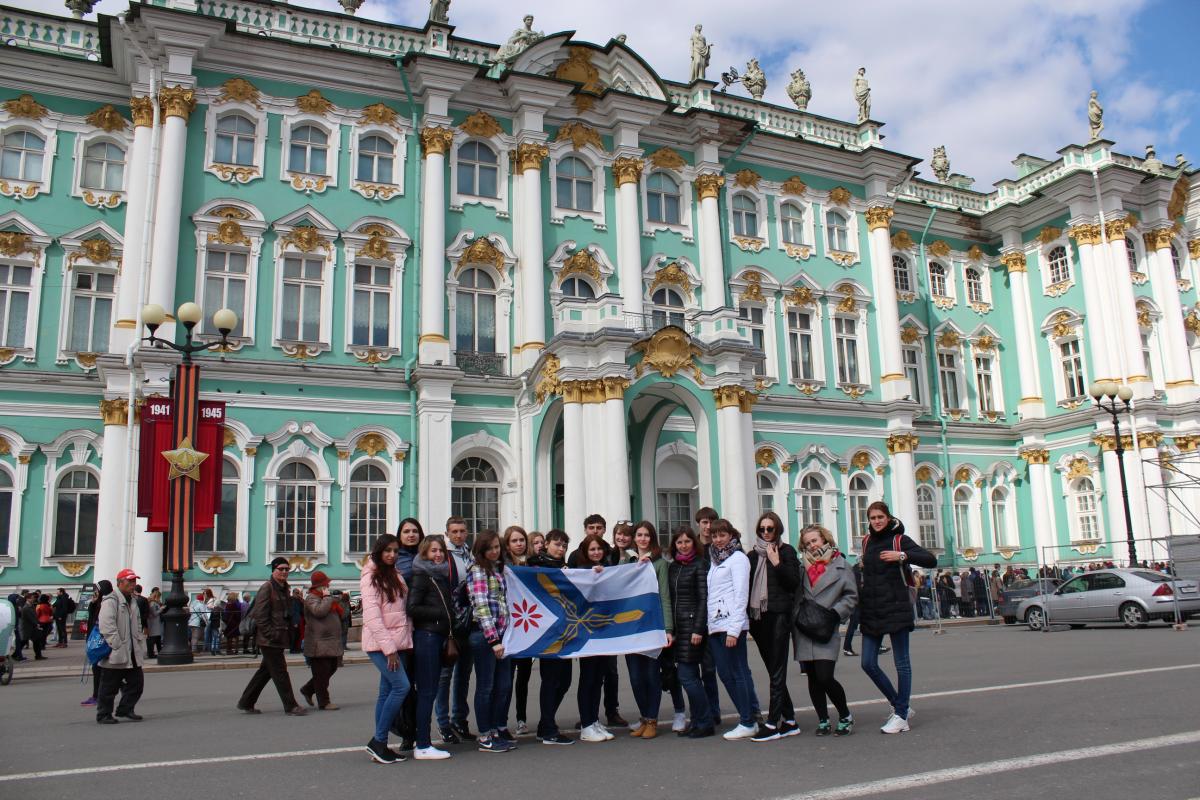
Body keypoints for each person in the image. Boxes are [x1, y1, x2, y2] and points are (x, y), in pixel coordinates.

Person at [857, 501, 937, 734]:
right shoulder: (866, 541)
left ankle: (901, 715)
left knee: (901, 663)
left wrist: (902, 556)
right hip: (872, 608)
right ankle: (899, 703)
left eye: (880, 517)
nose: (877, 521)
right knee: (867, 663)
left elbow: (930, 559)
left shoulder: (899, 539)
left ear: (888, 517)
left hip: (896, 606)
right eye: (872, 518)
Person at [792, 525, 858, 736]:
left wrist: (835, 614)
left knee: (825, 676)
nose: (812, 545)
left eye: (815, 541)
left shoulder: (841, 566)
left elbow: (851, 596)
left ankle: (845, 715)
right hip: (804, 627)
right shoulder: (802, 567)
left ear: (825, 540)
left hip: (826, 626)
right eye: (807, 543)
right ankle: (823, 719)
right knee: (812, 677)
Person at [746, 511, 801, 742]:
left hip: (779, 616)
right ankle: (789, 721)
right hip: (759, 619)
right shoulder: (751, 555)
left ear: (777, 530)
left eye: (770, 529)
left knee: (777, 671)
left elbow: (792, 582)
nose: (766, 533)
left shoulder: (786, 551)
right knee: (772, 670)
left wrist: (777, 562)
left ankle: (772, 723)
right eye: (762, 529)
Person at [360, 534, 413, 764]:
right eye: (387, 551)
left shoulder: (393, 574)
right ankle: (378, 741)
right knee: (402, 686)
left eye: (395, 551)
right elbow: (372, 617)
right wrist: (389, 649)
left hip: (397, 640)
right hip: (382, 645)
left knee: (386, 691)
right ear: (378, 552)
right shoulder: (370, 577)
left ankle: (380, 744)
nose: (392, 555)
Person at [706, 519, 757, 740]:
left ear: (731, 535)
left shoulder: (738, 559)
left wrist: (735, 629)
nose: (718, 540)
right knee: (725, 674)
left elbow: (740, 595)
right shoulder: (715, 560)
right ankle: (746, 717)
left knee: (737, 672)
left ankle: (748, 720)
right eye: (714, 536)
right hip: (715, 625)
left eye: (722, 535)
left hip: (731, 625)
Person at [623, 521, 674, 740]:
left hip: (652, 626)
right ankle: (644, 717)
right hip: (630, 628)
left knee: (651, 675)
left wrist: (668, 628)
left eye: (647, 535)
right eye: (639, 535)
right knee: (635, 677)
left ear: (652, 538)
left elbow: (664, 595)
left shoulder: (660, 564)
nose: (643, 539)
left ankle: (652, 719)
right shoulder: (627, 562)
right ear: (634, 538)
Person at [237, 557, 307, 717]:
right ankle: (291, 706)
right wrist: (271, 634)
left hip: (279, 637)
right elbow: (260, 615)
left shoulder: (284, 588)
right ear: (273, 570)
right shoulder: (267, 588)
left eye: (286, 569)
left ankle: (246, 702)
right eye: (280, 569)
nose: (284, 572)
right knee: (280, 672)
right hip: (270, 639)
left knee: (265, 671)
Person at [406, 536, 456, 760]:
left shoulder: (441, 576)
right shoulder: (421, 576)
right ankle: (423, 744)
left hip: (437, 636)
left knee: (431, 690)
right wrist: (441, 615)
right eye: (434, 551)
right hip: (427, 637)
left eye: (441, 551)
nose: (438, 555)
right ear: (424, 552)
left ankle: (422, 741)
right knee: (427, 691)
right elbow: (413, 608)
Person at [468, 530, 515, 754]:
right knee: (486, 687)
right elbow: (482, 606)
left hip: (503, 636)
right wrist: (493, 639)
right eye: (490, 548)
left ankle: (496, 730)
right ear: (481, 551)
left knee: (503, 686)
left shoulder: (498, 569)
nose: (495, 551)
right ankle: (485, 734)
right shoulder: (477, 570)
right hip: (486, 637)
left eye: (497, 547)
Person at [527, 529, 574, 745]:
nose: (561, 549)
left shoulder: (564, 569)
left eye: (564, 545)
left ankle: (546, 723)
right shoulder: (535, 565)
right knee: (551, 680)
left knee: (564, 681)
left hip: (565, 631)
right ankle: (547, 727)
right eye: (557, 544)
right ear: (546, 544)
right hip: (547, 633)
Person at [667, 526, 713, 738]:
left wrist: (698, 628)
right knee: (691, 676)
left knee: (687, 677)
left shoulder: (699, 565)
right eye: (679, 542)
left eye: (687, 542)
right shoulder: (674, 567)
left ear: (693, 543)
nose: (683, 546)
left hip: (693, 628)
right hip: (679, 629)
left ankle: (705, 721)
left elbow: (704, 599)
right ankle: (697, 721)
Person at [572, 533, 615, 743]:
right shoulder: (581, 571)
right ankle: (586, 724)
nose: (596, 553)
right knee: (588, 678)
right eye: (592, 550)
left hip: (603, 632)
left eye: (599, 549)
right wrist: (590, 574)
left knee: (599, 678)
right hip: (587, 633)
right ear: (585, 552)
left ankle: (594, 719)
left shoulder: (606, 569)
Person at [436, 515, 474, 744]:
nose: (458, 535)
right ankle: (443, 723)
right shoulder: (444, 556)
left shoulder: (469, 553)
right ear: (447, 533)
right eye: (454, 532)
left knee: (464, 675)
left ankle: (460, 719)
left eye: (462, 531)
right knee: (445, 675)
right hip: (449, 623)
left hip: (467, 622)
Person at [96, 568, 146, 724]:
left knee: (137, 684)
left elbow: (137, 622)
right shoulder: (111, 600)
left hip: (131, 651)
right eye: (129, 581)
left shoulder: (132, 601)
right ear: (120, 583)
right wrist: (116, 644)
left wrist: (139, 638)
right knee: (109, 687)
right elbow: (106, 625)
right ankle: (104, 714)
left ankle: (125, 709)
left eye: (134, 581)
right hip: (116, 651)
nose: (133, 584)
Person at [392, 518, 425, 751]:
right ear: (400, 535)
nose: (411, 535)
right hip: (402, 624)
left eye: (415, 531)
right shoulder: (395, 558)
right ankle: (406, 730)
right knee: (403, 684)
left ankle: (420, 731)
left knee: (423, 683)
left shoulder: (427, 555)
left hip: (424, 625)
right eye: (406, 531)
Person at [502, 525, 533, 736]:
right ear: (508, 544)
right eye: (514, 541)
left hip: (527, 628)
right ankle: (501, 721)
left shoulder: (533, 564)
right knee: (505, 680)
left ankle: (521, 718)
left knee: (523, 678)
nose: (519, 544)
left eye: (522, 540)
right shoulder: (502, 567)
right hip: (508, 628)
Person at [300, 571, 344, 711]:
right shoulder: (312, 598)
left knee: (332, 668)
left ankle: (307, 689)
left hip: (329, 642)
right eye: (326, 584)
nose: (328, 585)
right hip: (319, 643)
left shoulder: (325, 598)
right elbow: (319, 611)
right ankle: (324, 702)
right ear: (320, 586)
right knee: (321, 673)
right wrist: (327, 598)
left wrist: (335, 599)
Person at [81, 581, 112, 704]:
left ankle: (98, 696)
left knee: (100, 670)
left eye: (97, 590)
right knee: (101, 670)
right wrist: (92, 604)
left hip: (101, 642)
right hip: (97, 641)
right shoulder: (98, 604)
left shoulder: (107, 604)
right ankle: (98, 695)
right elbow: (92, 620)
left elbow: (100, 624)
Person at [843, 561, 862, 656]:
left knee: (855, 626)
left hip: (856, 603)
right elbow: (857, 588)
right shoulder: (856, 572)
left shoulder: (855, 570)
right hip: (856, 604)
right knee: (852, 626)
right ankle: (847, 648)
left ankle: (847, 647)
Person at [19, 592, 45, 660]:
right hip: (27, 628)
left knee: (36, 641)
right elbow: (30, 618)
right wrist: (37, 624)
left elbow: (34, 616)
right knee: (23, 642)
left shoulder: (32, 606)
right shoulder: (26, 608)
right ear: (28, 599)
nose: (34, 599)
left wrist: (37, 623)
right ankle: (16, 654)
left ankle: (38, 656)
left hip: (32, 628)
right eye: (32, 598)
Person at [205, 588, 224, 655]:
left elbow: (211, 618)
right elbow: (222, 618)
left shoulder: (214, 610)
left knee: (214, 637)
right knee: (217, 637)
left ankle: (212, 649)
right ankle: (216, 649)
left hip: (214, 624)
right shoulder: (220, 610)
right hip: (218, 625)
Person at [146, 588, 163, 659]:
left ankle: (158, 651)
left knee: (157, 638)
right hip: (153, 624)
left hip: (155, 624)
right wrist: (161, 609)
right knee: (153, 639)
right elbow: (154, 613)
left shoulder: (154, 603)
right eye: (159, 597)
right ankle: (151, 653)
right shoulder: (153, 604)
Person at [289, 588, 304, 653]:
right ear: (293, 593)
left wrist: (301, 600)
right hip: (294, 621)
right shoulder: (291, 600)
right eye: (296, 593)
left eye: (298, 593)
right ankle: (292, 649)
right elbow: (292, 611)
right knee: (293, 635)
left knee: (297, 635)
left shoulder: (298, 600)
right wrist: (294, 622)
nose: (298, 594)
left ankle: (296, 648)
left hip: (298, 620)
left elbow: (301, 610)